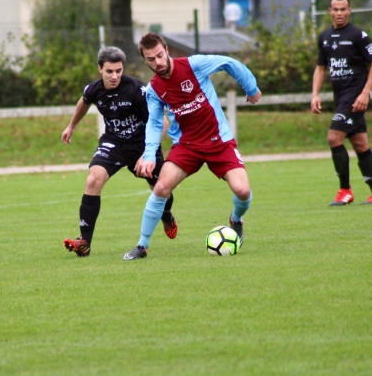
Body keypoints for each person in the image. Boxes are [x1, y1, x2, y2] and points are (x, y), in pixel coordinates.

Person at [123, 33, 261, 260]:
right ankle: (142, 246)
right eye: (151, 59)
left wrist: (251, 87)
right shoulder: (154, 89)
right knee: (161, 188)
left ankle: (236, 219)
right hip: (187, 146)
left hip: (218, 141)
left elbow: (229, 63)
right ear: (145, 61)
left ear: (166, 50)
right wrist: (148, 155)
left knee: (243, 191)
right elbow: (155, 123)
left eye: (160, 55)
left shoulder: (193, 65)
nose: (158, 62)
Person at [61, 46, 178, 257]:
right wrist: (72, 126)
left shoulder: (137, 90)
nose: (114, 76)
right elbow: (84, 101)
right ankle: (84, 241)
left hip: (143, 144)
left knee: (162, 190)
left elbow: (163, 122)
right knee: (93, 179)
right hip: (114, 143)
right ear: (100, 69)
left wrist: (147, 154)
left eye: (118, 71)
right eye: (109, 71)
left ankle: (166, 215)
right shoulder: (94, 89)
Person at [311, 0, 372, 206]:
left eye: (343, 9)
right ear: (329, 11)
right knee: (360, 143)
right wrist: (315, 94)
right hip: (341, 97)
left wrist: (365, 93)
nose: (339, 13)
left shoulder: (359, 35)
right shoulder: (324, 37)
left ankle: (345, 191)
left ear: (349, 11)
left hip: (355, 96)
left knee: (333, 138)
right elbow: (320, 68)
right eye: (335, 9)